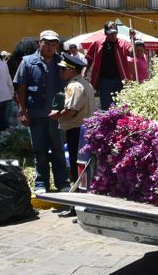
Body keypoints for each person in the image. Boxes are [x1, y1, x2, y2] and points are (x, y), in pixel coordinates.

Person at [14, 30, 69, 194]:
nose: (51, 47)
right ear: (40, 43)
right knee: (40, 151)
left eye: (54, 44)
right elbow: (21, 87)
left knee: (59, 150)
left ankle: (62, 182)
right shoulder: (27, 62)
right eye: (47, 43)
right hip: (36, 114)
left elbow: (69, 85)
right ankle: (41, 184)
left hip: (57, 115)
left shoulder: (63, 62)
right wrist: (23, 111)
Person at [49, 53, 96, 217]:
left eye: (63, 69)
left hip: (76, 130)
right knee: (83, 169)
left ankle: (76, 207)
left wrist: (56, 116)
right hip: (84, 130)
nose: (60, 72)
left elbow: (71, 110)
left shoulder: (74, 86)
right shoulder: (84, 83)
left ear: (72, 70)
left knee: (77, 171)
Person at [85, 21, 133, 110]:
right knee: (106, 107)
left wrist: (133, 39)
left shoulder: (124, 43)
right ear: (105, 33)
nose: (112, 36)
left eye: (114, 33)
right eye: (110, 34)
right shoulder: (97, 43)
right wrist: (84, 73)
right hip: (104, 80)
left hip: (121, 80)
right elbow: (88, 59)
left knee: (122, 107)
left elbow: (132, 52)